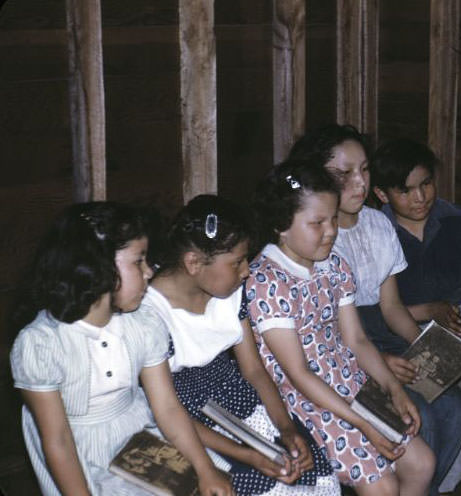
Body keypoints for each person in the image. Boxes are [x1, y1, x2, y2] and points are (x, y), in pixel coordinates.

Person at [288, 123, 461, 495]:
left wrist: (426, 346)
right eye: (344, 174)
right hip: (345, 349)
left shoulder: (377, 224)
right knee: (419, 418)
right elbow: (333, 333)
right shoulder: (317, 237)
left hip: (381, 334)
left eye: (365, 170)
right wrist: (382, 362)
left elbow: (392, 307)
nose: (360, 183)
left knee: (455, 406)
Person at [10, 202, 232, 496]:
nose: (150, 271)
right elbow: (59, 440)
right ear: (97, 266)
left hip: (135, 431)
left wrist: (205, 471)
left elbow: (167, 408)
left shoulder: (142, 323)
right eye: (138, 261)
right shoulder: (42, 344)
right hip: (78, 451)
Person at [245, 160, 435, 495]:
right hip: (307, 403)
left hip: (350, 382)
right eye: (317, 222)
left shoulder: (333, 263)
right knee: (383, 486)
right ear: (281, 225)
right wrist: (363, 423)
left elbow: (357, 340)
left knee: (421, 463)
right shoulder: (267, 281)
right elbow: (299, 374)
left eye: (333, 219)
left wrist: (393, 388)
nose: (331, 230)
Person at [143, 194, 340, 495]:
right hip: (190, 424)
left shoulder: (231, 290)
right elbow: (168, 412)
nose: (247, 270)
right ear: (194, 262)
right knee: (269, 487)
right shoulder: (151, 315)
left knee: (315, 476)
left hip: (238, 399)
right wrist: (249, 454)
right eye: (237, 262)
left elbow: (253, 370)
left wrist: (285, 429)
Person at [370, 138, 461, 492]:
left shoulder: (456, 220)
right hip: (402, 332)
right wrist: (429, 312)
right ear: (383, 195)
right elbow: (376, 310)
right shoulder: (376, 231)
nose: (420, 198)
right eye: (406, 190)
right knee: (458, 402)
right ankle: (437, 485)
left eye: (426, 184)